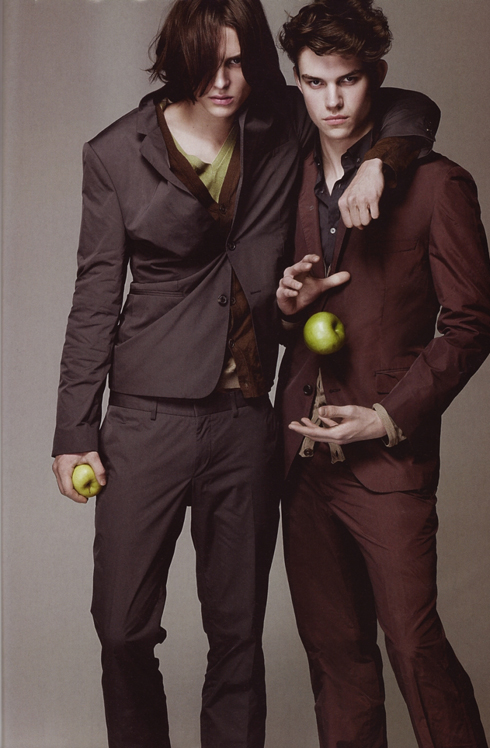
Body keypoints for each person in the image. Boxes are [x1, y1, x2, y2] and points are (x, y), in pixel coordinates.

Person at [51, 0, 440, 746]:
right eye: (207, 63)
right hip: (146, 419)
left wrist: (378, 166)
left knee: (237, 635)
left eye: (237, 61)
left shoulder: (282, 120)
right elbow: (94, 298)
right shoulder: (114, 154)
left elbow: (411, 108)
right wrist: (74, 431)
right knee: (123, 628)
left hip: (245, 422)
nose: (224, 81)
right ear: (178, 60)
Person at [276, 1, 490, 747]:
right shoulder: (289, 175)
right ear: (297, 82)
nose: (332, 101)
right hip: (301, 459)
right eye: (315, 83)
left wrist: (388, 416)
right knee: (336, 659)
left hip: (388, 462)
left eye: (348, 80)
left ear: (376, 77)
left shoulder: (436, 184)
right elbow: (272, 314)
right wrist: (288, 306)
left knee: (415, 648)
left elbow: (471, 325)